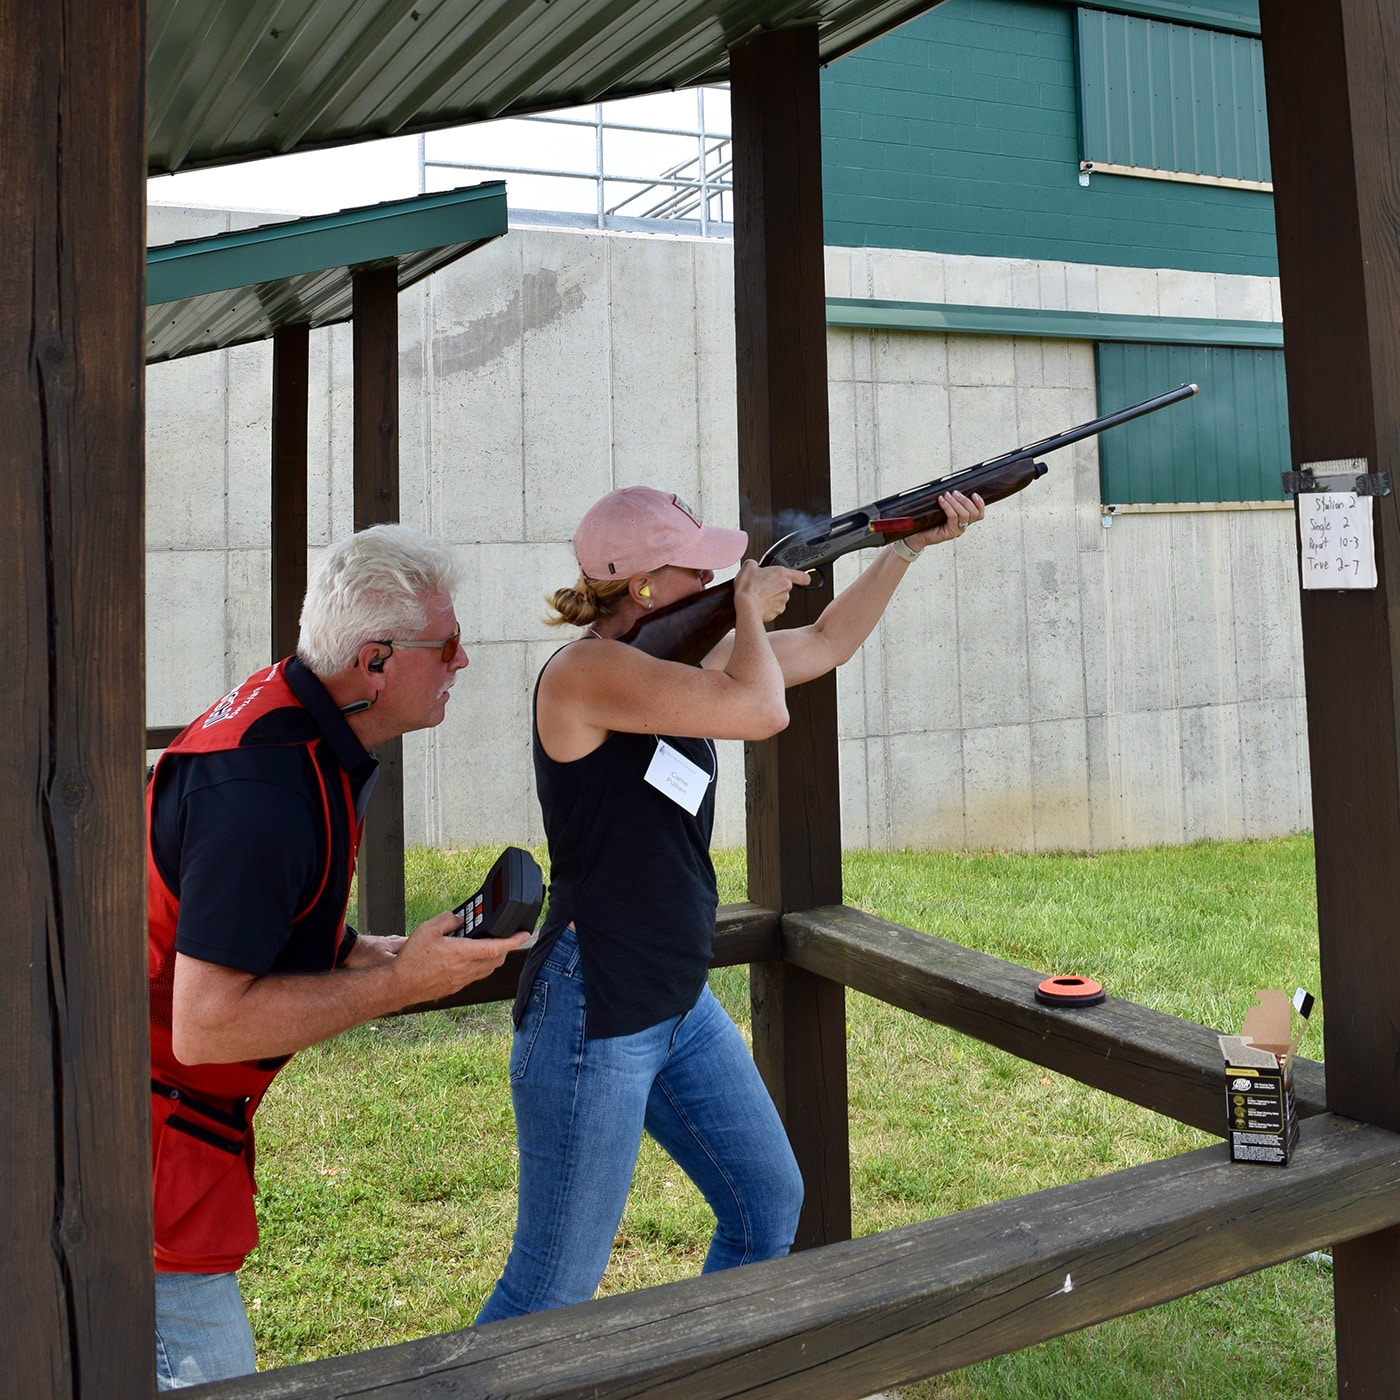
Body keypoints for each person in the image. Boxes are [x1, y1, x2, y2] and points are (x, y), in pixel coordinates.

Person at [475, 483, 984, 1323]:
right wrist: (748, 610)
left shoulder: (673, 662)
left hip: (675, 993)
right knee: (550, 1291)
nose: (720, 578)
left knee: (766, 1209)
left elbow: (824, 642)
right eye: (698, 570)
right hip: (594, 999)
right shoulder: (587, 672)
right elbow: (760, 710)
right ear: (640, 588)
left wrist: (904, 549)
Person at [147, 523, 530, 1389]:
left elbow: (229, 910)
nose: (463, 661)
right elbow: (206, 1028)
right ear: (377, 660)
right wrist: (398, 984)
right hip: (145, 1153)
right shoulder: (265, 792)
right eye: (449, 644)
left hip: (171, 1133)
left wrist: (358, 951)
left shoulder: (295, 725)